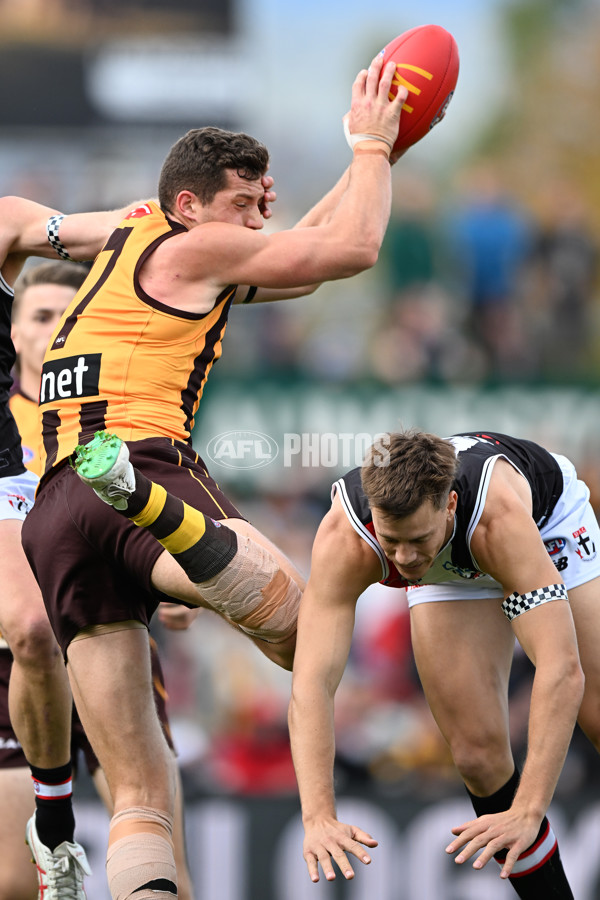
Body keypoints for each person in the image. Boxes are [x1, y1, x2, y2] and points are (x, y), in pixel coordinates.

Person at [21, 56, 408, 900]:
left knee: (140, 794)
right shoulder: (198, 246)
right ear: (190, 205)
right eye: (245, 203)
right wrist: (375, 147)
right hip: (138, 465)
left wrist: (368, 158)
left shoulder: (125, 235)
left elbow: (298, 258)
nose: (258, 220)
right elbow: (352, 249)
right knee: (305, 633)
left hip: (53, 512)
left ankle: (153, 519)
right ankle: (155, 509)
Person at [287, 428, 600, 899]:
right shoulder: (346, 537)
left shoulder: (500, 521)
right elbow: (312, 682)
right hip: (451, 559)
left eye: (415, 538)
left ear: (449, 503)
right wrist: (318, 815)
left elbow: (560, 668)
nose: (405, 558)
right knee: (477, 756)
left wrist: (529, 810)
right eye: (391, 541)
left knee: (595, 714)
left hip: (545, 525)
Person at [5, 260, 195, 900]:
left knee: (163, 866)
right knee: (17, 881)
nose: (56, 328)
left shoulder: (114, 418)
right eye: (40, 316)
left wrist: (169, 583)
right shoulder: (3, 430)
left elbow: (156, 512)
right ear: (13, 334)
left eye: (68, 316)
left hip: (109, 634)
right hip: (18, 665)